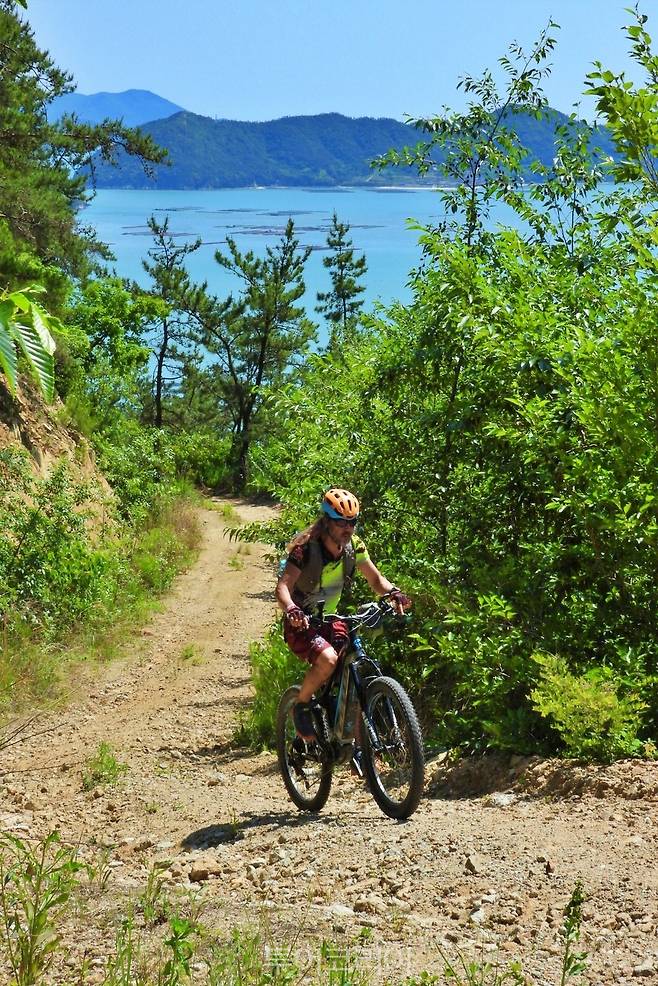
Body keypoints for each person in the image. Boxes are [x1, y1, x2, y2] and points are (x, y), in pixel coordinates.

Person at [275, 487, 412, 744]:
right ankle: (301, 705)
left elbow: (376, 579)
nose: (347, 528)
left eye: (352, 522)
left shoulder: (354, 546)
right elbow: (283, 587)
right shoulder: (305, 549)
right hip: (302, 622)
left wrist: (393, 592)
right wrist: (292, 609)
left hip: (330, 620)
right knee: (328, 660)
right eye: (340, 522)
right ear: (327, 521)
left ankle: (350, 739)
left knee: (352, 663)